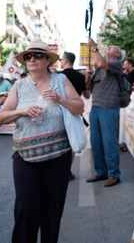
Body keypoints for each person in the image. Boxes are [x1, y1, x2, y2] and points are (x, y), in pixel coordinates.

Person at [0, 40, 84, 242]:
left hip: (57, 156)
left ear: (47, 60)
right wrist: (22, 111)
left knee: (52, 210)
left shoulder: (61, 80)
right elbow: (2, 118)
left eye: (37, 55)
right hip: (25, 156)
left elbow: (79, 107)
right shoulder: (18, 86)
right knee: (26, 206)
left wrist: (59, 99)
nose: (32, 59)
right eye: (28, 56)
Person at [84, 39, 123, 187]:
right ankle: (101, 172)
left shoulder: (116, 64)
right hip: (96, 107)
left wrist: (94, 48)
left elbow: (101, 63)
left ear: (117, 54)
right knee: (96, 142)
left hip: (109, 107)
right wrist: (88, 76)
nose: (109, 46)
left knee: (109, 142)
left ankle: (114, 174)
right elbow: (88, 88)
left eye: (112, 46)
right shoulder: (99, 69)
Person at [59, 51, 88, 180]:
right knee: (71, 143)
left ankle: (59, 170)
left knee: (59, 141)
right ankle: (67, 171)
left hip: (60, 111)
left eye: (61, 59)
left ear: (65, 61)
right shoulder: (81, 76)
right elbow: (87, 95)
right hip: (74, 112)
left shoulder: (58, 76)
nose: (60, 62)